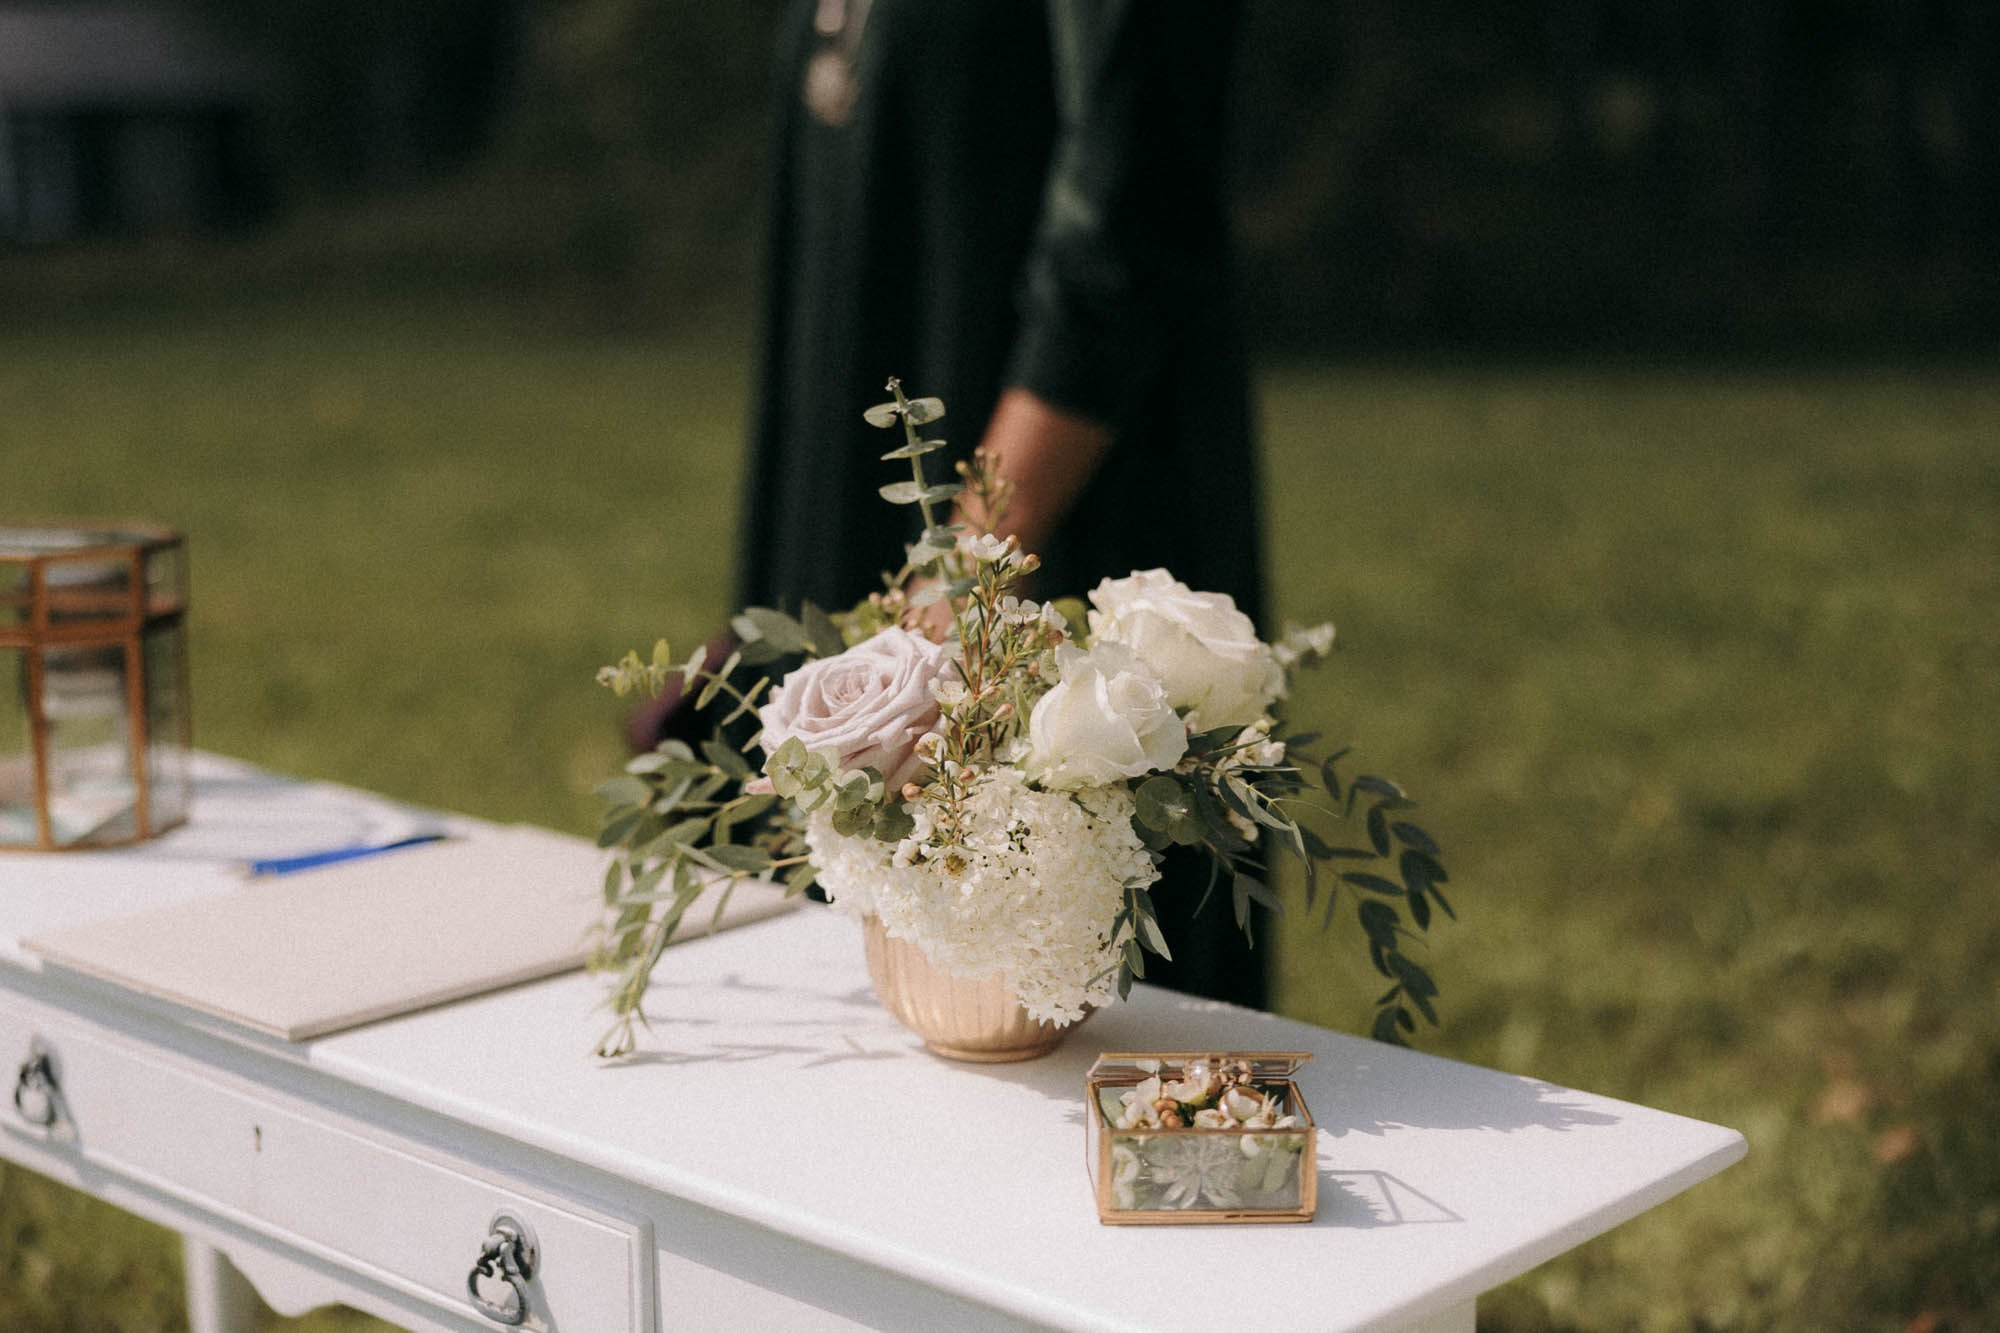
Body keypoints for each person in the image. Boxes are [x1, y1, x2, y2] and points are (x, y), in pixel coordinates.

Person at [734, 0, 1270, 1008]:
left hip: (1051, 474)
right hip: (868, 392)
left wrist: (971, 563)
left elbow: (1136, 169)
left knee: (1070, 950)